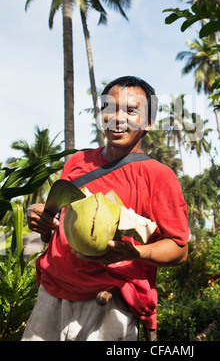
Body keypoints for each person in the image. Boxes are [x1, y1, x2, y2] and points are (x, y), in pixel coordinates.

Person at [22, 76, 189, 341]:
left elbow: (179, 249)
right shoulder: (77, 162)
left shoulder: (159, 176)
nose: (118, 118)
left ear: (148, 122)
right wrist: (42, 221)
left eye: (131, 111)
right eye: (110, 109)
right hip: (52, 296)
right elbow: (57, 234)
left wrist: (137, 252)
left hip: (109, 304)